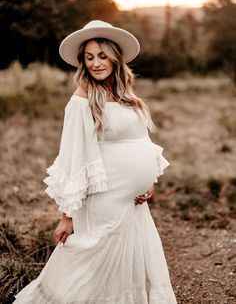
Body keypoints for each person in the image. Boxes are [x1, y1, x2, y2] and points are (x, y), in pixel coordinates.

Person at [14, 20, 177, 303]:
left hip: (133, 202)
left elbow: (141, 142)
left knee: (127, 262)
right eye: (89, 58)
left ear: (115, 58)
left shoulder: (127, 96)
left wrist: (149, 181)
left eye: (102, 56)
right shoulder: (81, 100)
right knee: (94, 256)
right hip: (103, 196)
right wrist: (67, 216)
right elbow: (72, 157)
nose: (96, 63)